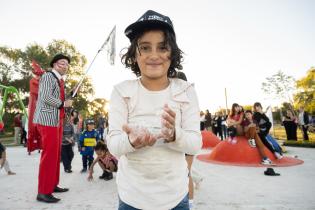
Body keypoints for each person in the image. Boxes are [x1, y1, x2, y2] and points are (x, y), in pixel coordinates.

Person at [107, 10, 202, 210]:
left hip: (176, 197)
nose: (154, 55)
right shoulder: (121, 91)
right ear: (133, 54)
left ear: (172, 53)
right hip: (131, 198)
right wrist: (132, 141)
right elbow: (114, 145)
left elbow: (194, 145)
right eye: (145, 48)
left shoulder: (186, 90)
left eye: (162, 47)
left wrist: (175, 135)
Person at [33, 54, 73, 203]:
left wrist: (66, 102)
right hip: (47, 120)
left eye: (67, 64)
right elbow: (44, 97)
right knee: (49, 155)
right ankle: (43, 192)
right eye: (62, 63)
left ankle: (52, 185)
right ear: (55, 64)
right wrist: (63, 104)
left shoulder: (59, 80)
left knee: (56, 155)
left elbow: (57, 98)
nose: (65, 66)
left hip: (56, 120)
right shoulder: (49, 76)